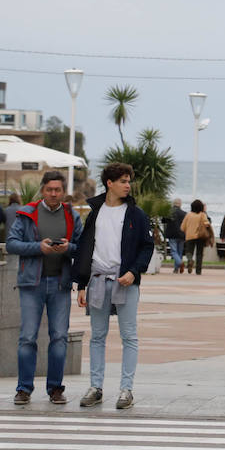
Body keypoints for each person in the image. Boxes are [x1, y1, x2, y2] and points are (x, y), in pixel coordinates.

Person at [73, 163, 155, 410]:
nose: (128, 185)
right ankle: (95, 387)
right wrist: (81, 284)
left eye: (129, 181)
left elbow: (147, 246)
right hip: (97, 280)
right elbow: (85, 247)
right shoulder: (95, 212)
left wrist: (133, 271)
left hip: (125, 282)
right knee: (97, 336)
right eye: (122, 181)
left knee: (129, 336)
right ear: (109, 183)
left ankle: (126, 390)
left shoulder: (136, 214)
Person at [6, 170, 83, 405]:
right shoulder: (27, 213)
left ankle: (56, 389)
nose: (53, 193)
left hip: (60, 284)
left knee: (59, 337)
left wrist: (68, 248)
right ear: (42, 190)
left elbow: (83, 247)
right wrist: (38, 247)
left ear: (63, 191)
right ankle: (24, 389)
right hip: (32, 284)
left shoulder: (72, 215)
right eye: (49, 189)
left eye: (57, 190)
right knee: (27, 337)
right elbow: (11, 244)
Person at [181, 199, 212, 275]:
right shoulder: (202, 215)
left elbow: (182, 227)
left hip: (190, 236)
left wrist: (187, 231)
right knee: (199, 253)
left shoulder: (188, 215)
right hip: (200, 236)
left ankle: (190, 260)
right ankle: (198, 270)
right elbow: (207, 224)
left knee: (189, 252)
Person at [163, 198, 187, 274]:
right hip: (182, 234)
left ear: (173, 204)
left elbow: (163, 220)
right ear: (180, 204)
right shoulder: (184, 213)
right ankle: (176, 268)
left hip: (172, 234)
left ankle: (179, 263)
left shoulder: (169, 212)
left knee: (174, 251)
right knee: (179, 252)